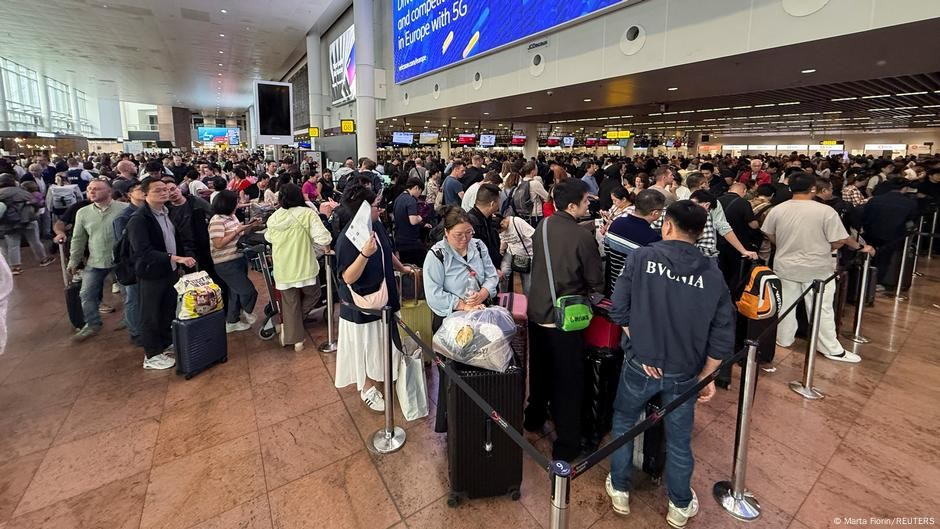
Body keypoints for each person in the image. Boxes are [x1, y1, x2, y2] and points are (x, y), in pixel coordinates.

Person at [605, 200, 734, 528]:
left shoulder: (642, 257)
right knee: (679, 438)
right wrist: (707, 376)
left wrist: (643, 348)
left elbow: (618, 309)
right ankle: (679, 504)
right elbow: (722, 332)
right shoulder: (712, 273)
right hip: (684, 371)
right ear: (702, 232)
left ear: (666, 226)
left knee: (623, 421)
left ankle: (619, 488)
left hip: (639, 364)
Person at [525, 178, 603, 461]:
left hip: (537, 312)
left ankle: (533, 417)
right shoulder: (583, 236)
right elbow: (596, 280)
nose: (587, 206)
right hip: (564, 318)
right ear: (572, 205)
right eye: (585, 201)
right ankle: (567, 443)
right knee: (568, 382)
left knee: (540, 369)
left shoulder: (542, 226)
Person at [761, 173, 875, 364]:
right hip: (817, 268)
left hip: (785, 265)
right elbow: (839, 239)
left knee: (785, 306)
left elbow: (769, 233)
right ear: (813, 188)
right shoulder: (825, 211)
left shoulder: (778, 209)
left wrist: (785, 245)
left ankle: (783, 339)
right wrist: (824, 248)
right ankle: (829, 347)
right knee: (821, 309)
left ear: (790, 188)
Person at [335, 185, 411, 412]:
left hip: (384, 297)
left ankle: (381, 376)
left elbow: (386, 251)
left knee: (381, 342)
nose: (381, 208)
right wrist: (365, 254)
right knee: (367, 346)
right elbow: (348, 276)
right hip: (364, 304)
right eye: (377, 205)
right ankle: (367, 386)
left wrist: (401, 268)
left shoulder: (375, 225)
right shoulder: (349, 237)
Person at [126, 179, 195, 370]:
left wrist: (180, 261)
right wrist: (175, 258)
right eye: (158, 190)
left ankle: (165, 343)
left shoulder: (167, 213)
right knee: (150, 314)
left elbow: (174, 238)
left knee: (167, 308)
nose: (164, 193)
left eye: (166, 189)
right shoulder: (139, 219)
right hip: (151, 273)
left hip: (170, 270)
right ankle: (152, 354)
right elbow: (142, 251)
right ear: (145, 194)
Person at [264, 183, 333, 350]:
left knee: (290, 302)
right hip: (304, 266)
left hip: (283, 268)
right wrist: (327, 249)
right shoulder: (307, 214)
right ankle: (292, 329)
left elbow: (268, 237)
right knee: (314, 293)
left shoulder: (274, 217)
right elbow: (323, 237)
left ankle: (295, 338)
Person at [66, 179, 128, 340]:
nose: (91, 192)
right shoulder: (83, 212)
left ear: (109, 191)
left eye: (96, 189)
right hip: (96, 260)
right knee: (86, 293)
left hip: (121, 259)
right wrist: (74, 260)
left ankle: (129, 318)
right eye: (89, 189)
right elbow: (78, 238)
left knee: (127, 292)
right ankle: (92, 323)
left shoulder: (124, 209)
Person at [209, 190, 260, 333]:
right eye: (236, 202)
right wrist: (237, 231)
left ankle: (232, 321)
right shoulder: (217, 220)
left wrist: (251, 225)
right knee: (248, 291)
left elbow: (239, 233)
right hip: (225, 263)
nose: (238, 204)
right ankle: (247, 311)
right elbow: (218, 243)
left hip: (238, 258)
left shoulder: (231, 217)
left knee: (235, 292)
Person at [862, 178, 920, 291]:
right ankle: (878, 282)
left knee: (869, 256)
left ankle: (865, 279)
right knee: (885, 259)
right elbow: (912, 220)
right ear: (904, 188)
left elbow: (865, 216)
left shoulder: (875, 200)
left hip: (872, 233)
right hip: (895, 235)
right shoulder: (910, 203)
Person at [112, 181, 147, 345]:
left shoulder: (150, 211)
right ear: (129, 194)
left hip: (146, 263)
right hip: (132, 265)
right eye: (140, 190)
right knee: (133, 298)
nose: (144, 193)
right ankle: (136, 332)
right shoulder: (124, 217)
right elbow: (124, 246)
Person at [0, 175, 55, 275]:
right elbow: (36, 203)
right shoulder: (21, 191)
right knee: (35, 241)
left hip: (9, 223)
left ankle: (15, 267)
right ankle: (43, 259)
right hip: (28, 220)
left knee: (13, 244)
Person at [467, 183, 503, 271]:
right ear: (492, 204)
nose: (499, 205)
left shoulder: (486, 219)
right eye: (498, 201)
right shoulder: (471, 224)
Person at [393, 177, 428, 265]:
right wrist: (420, 217)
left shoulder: (398, 198)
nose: (420, 194)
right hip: (411, 241)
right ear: (416, 187)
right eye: (420, 191)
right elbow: (413, 220)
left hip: (399, 240)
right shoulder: (411, 200)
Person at [498, 214, 535, 293]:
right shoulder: (498, 228)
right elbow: (503, 240)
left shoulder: (516, 222)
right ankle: (502, 297)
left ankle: (528, 302)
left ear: (503, 223)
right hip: (510, 253)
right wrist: (501, 250)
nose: (501, 232)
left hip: (525, 255)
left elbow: (534, 234)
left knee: (527, 284)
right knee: (503, 273)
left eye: (501, 230)